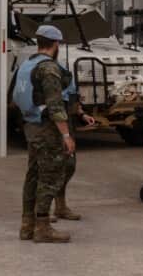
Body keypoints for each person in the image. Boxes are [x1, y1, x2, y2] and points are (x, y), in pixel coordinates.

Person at [12, 25, 93, 244]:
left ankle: (27, 226)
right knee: (50, 177)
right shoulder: (48, 69)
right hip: (48, 129)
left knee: (33, 175)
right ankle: (43, 227)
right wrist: (66, 135)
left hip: (31, 125)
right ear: (56, 44)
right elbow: (56, 105)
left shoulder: (27, 65)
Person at [52, 69, 95, 223]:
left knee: (69, 165)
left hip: (67, 120)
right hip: (52, 122)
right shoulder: (45, 71)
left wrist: (82, 114)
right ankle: (41, 210)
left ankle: (60, 206)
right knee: (50, 167)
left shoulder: (64, 72)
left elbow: (73, 99)